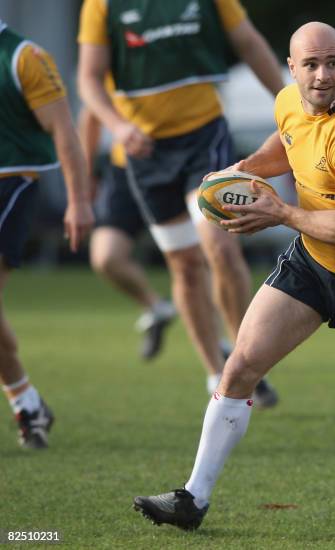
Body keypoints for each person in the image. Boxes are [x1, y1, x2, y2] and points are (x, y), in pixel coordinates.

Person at [133, 21, 335, 530]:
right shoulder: (288, 101)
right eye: (311, 64)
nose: (323, 75)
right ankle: (192, 499)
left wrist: (279, 212)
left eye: (333, 62)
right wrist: (241, 171)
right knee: (239, 368)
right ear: (292, 69)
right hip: (310, 265)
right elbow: (287, 143)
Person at [77, 0, 284, 403]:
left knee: (220, 247)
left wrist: (290, 105)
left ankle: (246, 362)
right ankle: (215, 373)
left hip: (203, 138)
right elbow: (88, 79)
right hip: (144, 153)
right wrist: (118, 127)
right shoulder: (102, 6)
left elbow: (249, 42)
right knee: (185, 265)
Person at [0, 20, 94, 448]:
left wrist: (78, 200)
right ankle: (27, 402)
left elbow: (63, 130)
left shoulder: (25, 58)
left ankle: (26, 402)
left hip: (12, 183)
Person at [79, 105, 176, 361]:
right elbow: (91, 114)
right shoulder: (106, 65)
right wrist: (86, 174)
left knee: (195, 262)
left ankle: (225, 344)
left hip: (180, 165)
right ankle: (157, 307)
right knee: (106, 257)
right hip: (126, 168)